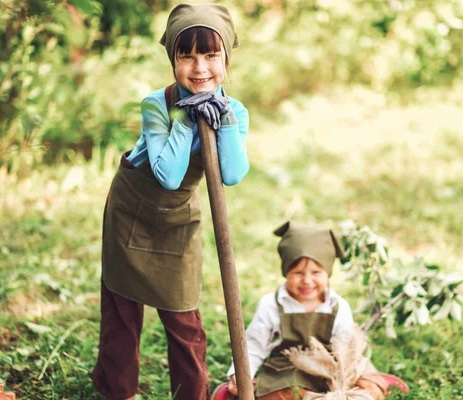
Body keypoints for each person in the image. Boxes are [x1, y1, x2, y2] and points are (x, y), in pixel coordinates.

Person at [92, 3, 249, 400]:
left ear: (226, 58)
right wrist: (185, 116)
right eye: (187, 55)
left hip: (179, 219)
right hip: (131, 212)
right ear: (173, 60)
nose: (200, 67)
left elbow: (231, 174)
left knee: (185, 321)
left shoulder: (236, 111)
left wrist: (223, 118)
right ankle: (117, 392)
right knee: (122, 316)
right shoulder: (155, 105)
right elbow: (168, 174)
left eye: (211, 54)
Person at [213, 221, 391, 400]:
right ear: (286, 272)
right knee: (282, 393)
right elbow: (253, 346)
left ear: (327, 273)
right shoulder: (272, 304)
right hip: (288, 371)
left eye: (316, 273)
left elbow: (348, 350)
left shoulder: (338, 306)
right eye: (298, 273)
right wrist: (241, 375)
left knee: (370, 386)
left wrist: (351, 376)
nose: (307, 281)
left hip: (330, 367)